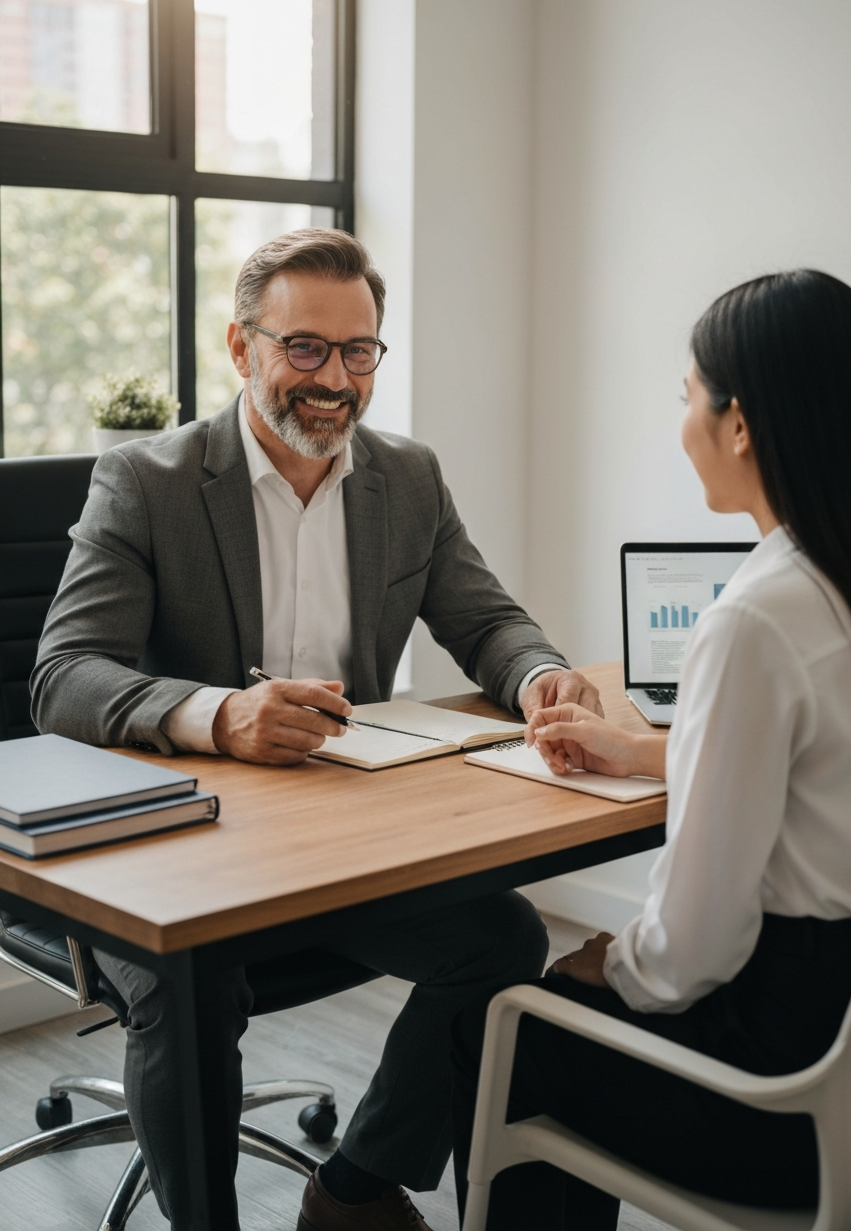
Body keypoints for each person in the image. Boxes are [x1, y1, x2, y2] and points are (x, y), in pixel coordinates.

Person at [31, 228, 602, 1231]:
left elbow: (486, 619)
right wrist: (218, 713)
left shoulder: (406, 478)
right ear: (240, 345)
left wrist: (542, 676)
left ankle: (355, 1184)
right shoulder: (148, 482)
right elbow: (63, 675)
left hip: (334, 842)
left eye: (358, 351)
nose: (333, 379)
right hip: (170, 850)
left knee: (501, 934)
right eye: (303, 348)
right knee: (193, 985)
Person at [452, 269, 851, 1229]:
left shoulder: (757, 618)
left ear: (741, 424)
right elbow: (838, 772)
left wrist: (608, 967)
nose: (683, 425)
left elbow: (694, 948)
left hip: (788, 1093)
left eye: (688, 398)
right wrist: (650, 752)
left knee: (514, 1026)